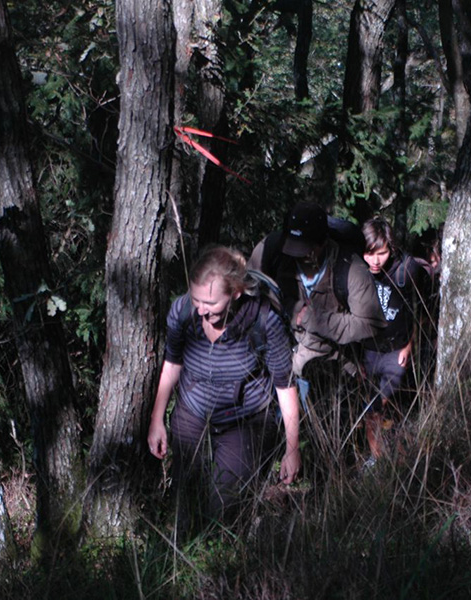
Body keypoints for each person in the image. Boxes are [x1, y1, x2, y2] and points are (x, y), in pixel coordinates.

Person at [147, 246, 301, 523]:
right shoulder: (183, 312)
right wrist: (157, 420)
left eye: (211, 303)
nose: (202, 311)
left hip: (245, 422)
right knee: (185, 498)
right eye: (196, 300)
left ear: (236, 292)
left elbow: (285, 386)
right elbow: (172, 365)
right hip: (192, 413)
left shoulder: (264, 321)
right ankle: (183, 542)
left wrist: (292, 448)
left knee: (225, 508)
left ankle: (224, 545)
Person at [248, 202, 385, 378]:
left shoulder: (351, 269)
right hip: (277, 352)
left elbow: (371, 324)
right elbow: (248, 289)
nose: (298, 255)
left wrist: (316, 319)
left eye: (306, 249)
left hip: (331, 365)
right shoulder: (272, 249)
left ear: (324, 242)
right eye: (293, 247)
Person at [359, 217, 428, 460]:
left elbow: (422, 314)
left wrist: (409, 347)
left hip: (396, 350)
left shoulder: (406, 270)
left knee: (383, 403)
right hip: (368, 350)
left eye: (381, 253)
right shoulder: (357, 268)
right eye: (369, 254)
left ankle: (392, 457)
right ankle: (377, 458)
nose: (375, 261)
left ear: (391, 248)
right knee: (371, 408)